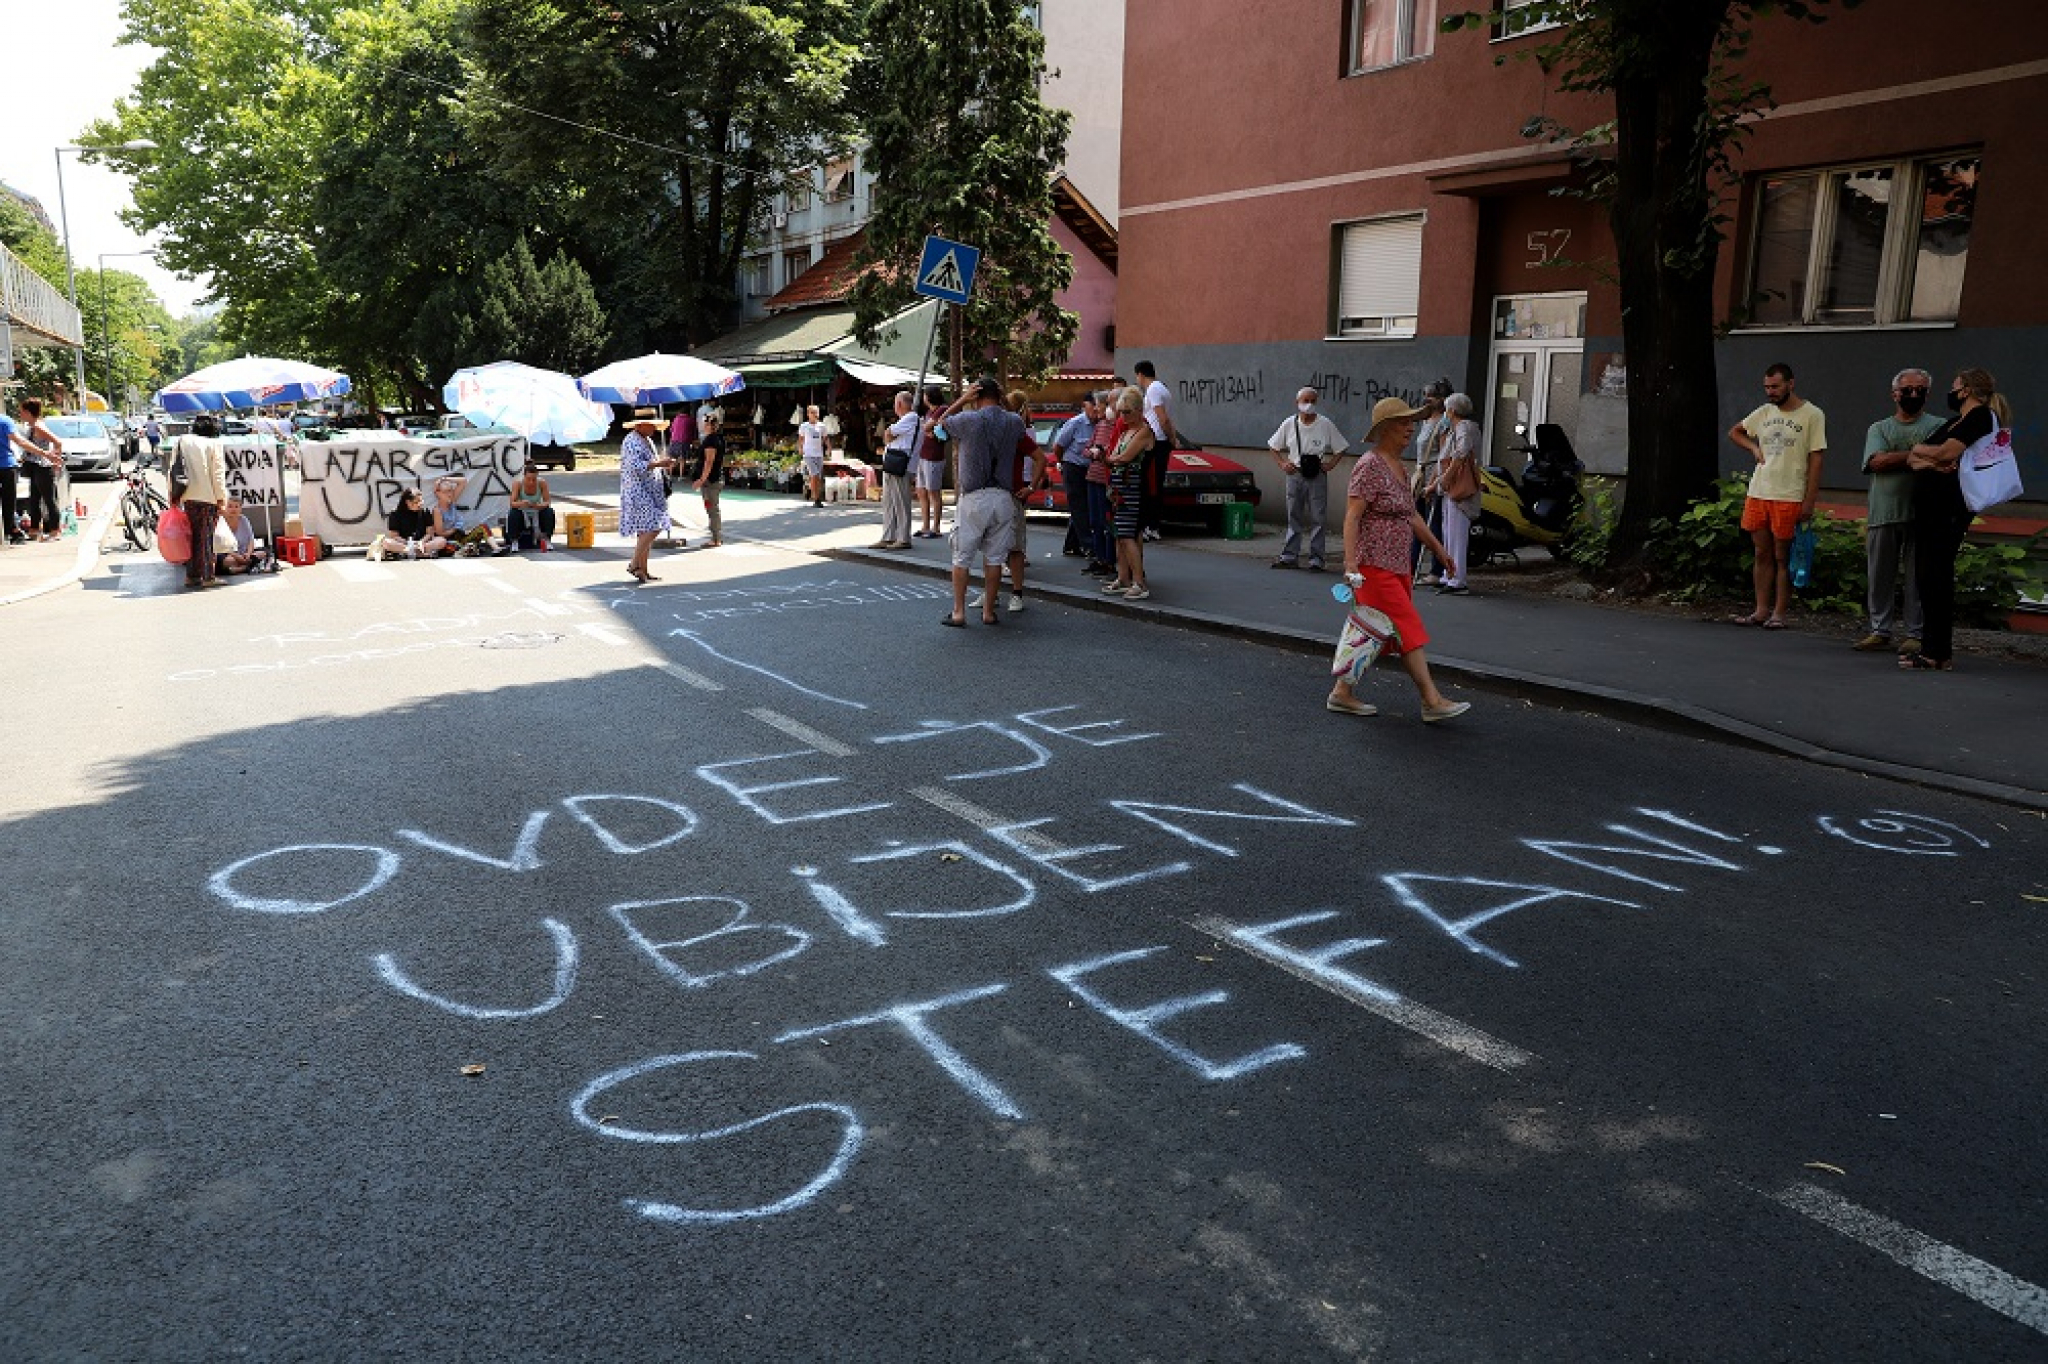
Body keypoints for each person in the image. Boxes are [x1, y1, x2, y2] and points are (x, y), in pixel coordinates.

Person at [1328, 396, 1471, 723]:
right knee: (1406, 626)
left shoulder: (1399, 468)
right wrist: (1350, 565)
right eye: (1403, 423)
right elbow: (1352, 517)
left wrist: (1439, 549)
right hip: (1373, 565)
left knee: (1373, 633)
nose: (1411, 428)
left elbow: (1411, 517)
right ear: (1384, 429)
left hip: (1397, 565)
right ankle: (1431, 700)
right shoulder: (1369, 465)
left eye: (1412, 422)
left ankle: (1342, 692)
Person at [1902, 369, 2011, 673]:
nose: (1951, 393)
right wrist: (1928, 457)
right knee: (1926, 575)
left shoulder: (1980, 418)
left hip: (1949, 507)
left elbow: (1949, 452)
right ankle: (1931, 648)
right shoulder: (1954, 423)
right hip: (1931, 508)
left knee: (1936, 575)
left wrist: (1929, 454)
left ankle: (1937, 651)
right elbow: (1914, 459)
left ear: (1965, 390)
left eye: (1954, 387)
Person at [1727, 362, 1826, 630]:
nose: (1770, 392)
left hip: (1789, 493)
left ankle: (1779, 612)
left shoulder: (1812, 415)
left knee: (1783, 555)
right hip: (1760, 490)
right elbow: (1735, 431)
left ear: (1790, 384)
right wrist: (1753, 448)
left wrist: (1809, 500)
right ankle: (1760, 609)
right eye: (1767, 387)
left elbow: (1816, 458)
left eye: (1775, 386)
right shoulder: (1764, 412)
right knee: (1761, 552)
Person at [1855, 368, 1942, 654]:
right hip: (1884, 511)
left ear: (1928, 394)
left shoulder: (1939, 425)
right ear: (1895, 394)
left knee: (1918, 576)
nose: (1913, 395)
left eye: (1920, 390)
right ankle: (1879, 629)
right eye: (1907, 390)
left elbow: (1944, 458)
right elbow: (1876, 463)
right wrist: (1920, 454)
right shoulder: (1878, 428)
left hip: (1924, 512)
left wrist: (1899, 456)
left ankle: (1915, 633)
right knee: (1879, 573)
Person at [932, 376, 1024, 628]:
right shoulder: (1012, 421)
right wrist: (1003, 398)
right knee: (994, 558)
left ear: (976, 396)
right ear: (1000, 396)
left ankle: (959, 611)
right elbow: (1017, 420)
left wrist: (961, 399)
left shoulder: (967, 420)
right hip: (1003, 497)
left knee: (962, 556)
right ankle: (988, 613)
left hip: (974, 497)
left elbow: (938, 426)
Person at [1268, 386, 1350, 572]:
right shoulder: (1290, 423)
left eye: (1313, 401)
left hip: (1316, 474)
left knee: (1318, 518)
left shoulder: (1324, 424)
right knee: (1293, 515)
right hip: (1295, 472)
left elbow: (1341, 446)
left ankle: (1317, 558)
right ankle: (1290, 555)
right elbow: (1273, 445)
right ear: (1297, 403)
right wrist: (1282, 463)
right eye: (1305, 401)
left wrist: (1330, 464)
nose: (1309, 405)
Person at [1423, 393, 1482, 594]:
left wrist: (1445, 478)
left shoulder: (1465, 427)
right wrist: (1435, 484)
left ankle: (1458, 579)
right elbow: (1443, 459)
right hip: (1450, 489)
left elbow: (1461, 453)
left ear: (1452, 410)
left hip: (1459, 489)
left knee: (1456, 535)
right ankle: (1449, 574)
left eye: (1447, 409)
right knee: (1449, 533)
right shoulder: (1452, 429)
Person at [1103, 386, 1155, 600]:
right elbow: (1113, 455)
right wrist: (1113, 457)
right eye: (1120, 412)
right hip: (1120, 489)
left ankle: (1139, 581)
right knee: (1119, 535)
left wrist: (1114, 457)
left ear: (1138, 410)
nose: (1122, 416)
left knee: (1128, 535)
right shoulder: (1125, 431)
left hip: (1133, 489)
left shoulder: (1144, 431)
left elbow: (1122, 457)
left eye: (1126, 412)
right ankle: (1123, 577)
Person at [620, 408, 676, 582]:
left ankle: (642, 569)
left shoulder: (646, 439)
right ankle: (635, 563)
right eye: (651, 425)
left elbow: (650, 462)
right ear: (641, 425)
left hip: (649, 489)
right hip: (637, 490)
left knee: (646, 529)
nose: (654, 428)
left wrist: (661, 463)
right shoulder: (631, 441)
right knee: (654, 525)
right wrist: (660, 463)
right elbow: (636, 465)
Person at [173, 414, 228, 589]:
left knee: (192, 538)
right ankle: (208, 576)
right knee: (206, 538)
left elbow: (173, 469)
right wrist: (221, 499)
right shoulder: (214, 444)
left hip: (187, 496)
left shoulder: (182, 441)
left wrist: (172, 496)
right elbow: (217, 475)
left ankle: (192, 575)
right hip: (207, 497)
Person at [1407, 378, 1451, 575]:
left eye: (1432, 397)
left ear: (1442, 399)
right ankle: (1410, 567)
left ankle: (1436, 570)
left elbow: (1443, 456)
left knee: (1433, 527)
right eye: (1426, 396)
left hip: (1432, 479)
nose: (1427, 400)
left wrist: (1433, 483)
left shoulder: (1443, 423)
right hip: (1420, 477)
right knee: (1416, 525)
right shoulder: (1425, 421)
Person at [1051, 397, 1099, 559]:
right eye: (1093, 406)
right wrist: (1062, 463)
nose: (1096, 410)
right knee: (1078, 505)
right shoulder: (1075, 423)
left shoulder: (1100, 424)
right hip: (1073, 467)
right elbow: (1058, 446)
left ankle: (1071, 544)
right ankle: (1088, 545)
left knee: (1082, 507)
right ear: (1085, 406)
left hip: (1090, 468)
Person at [1134, 360, 1175, 544]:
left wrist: (1169, 437)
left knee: (1150, 485)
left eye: (1137, 376)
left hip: (1155, 441)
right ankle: (1152, 525)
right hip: (1160, 441)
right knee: (1154, 484)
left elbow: (1162, 418)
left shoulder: (1153, 390)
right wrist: (1172, 438)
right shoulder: (1163, 389)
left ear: (1141, 374)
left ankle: (1150, 526)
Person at [13, 399, 65, 542]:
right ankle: (34, 530)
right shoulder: (31, 426)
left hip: (43, 466)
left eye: (22, 412)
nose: (20, 414)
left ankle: (55, 531)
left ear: (29, 412)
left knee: (49, 499)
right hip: (34, 465)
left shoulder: (38, 426)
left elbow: (57, 442)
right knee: (34, 499)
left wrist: (55, 460)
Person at [873, 391, 918, 550]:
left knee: (900, 500)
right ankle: (888, 536)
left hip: (900, 464)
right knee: (889, 500)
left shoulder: (911, 418)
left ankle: (903, 537)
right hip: (893, 463)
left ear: (899, 404)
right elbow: (888, 435)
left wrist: (890, 434)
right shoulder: (905, 420)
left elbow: (889, 434)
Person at [1083, 391, 1118, 576]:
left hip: (1106, 479)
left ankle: (1110, 560)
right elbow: (1086, 449)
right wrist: (1093, 452)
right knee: (1095, 520)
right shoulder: (1100, 425)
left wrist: (1101, 451)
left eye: (1099, 404)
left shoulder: (1116, 426)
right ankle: (1099, 558)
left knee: (1107, 522)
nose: (1096, 408)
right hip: (1093, 477)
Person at [913, 392, 948, 539]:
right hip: (923, 453)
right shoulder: (929, 411)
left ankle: (936, 527)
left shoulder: (941, 409)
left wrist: (927, 429)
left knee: (933, 491)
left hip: (934, 455)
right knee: (921, 491)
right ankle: (925, 525)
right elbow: (926, 428)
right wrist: (927, 429)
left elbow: (927, 426)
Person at [374, 487, 443, 560]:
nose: (420, 504)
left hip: (422, 543)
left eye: (421, 501)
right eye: (416, 502)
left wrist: (421, 542)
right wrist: (409, 543)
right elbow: (394, 535)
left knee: (441, 540)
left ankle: (413, 552)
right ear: (408, 502)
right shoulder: (395, 513)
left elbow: (430, 533)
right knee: (386, 542)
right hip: (404, 544)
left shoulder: (425, 512)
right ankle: (415, 552)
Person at [430, 476, 492, 555]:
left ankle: (496, 548)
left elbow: (463, 481)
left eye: (451, 491)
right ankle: (466, 550)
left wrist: (444, 478)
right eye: (446, 491)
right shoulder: (437, 510)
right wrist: (455, 528)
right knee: (450, 545)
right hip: (448, 540)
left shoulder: (452, 501)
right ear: (438, 493)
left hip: (460, 537)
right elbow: (440, 533)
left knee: (483, 527)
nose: (450, 494)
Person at [212, 497, 272, 576]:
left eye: (236, 507)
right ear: (225, 508)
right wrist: (237, 557)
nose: (233, 509)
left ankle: (240, 568)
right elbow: (221, 545)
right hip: (228, 555)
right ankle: (246, 567)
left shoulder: (244, 520)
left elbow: (251, 540)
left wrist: (248, 554)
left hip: (244, 553)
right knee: (225, 561)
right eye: (230, 506)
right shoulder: (220, 522)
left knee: (265, 552)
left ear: (240, 509)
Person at [694, 412, 728, 547]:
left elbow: (709, 461)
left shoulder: (710, 440)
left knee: (712, 508)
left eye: (705, 423)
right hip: (716, 477)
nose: (703, 425)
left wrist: (701, 479)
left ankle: (716, 538)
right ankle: (716, 537)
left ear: (709, 425)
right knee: (712, 508)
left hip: (710, 480)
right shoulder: (719, 438)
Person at [506, 464, 556, 551]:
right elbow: (512, 503)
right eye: (528, 479)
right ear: (524, 476)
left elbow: (547, 501)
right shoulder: (518, 484)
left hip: (536, 510)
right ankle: (514, 541)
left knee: (549, 511)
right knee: (513, 513)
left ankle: (547, 539)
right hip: (523, 511)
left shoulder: (542, 483)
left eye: (534, 479)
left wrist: (538, 506)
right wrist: (522, 503)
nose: (531, 482)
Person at [0, 403, 26, 544]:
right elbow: (19, 441)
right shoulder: (4, 420)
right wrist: (42, 453)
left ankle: (11, 530)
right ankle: (11, 531)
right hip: (7, 465)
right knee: (9, 501)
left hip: (7, 465)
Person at [798, 404, 828, 507]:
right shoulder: (804, 426)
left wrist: (828, 448)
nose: (815, 414)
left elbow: (825, 438)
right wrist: (801, 448)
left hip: (819, 454)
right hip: (809, 454)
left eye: (816, 412)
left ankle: (816, 495)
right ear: (808, 414)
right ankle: (816, 498)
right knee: (814, 474)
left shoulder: (822, 426)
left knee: (818, 477)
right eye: (812, 412)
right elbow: (801, 439)